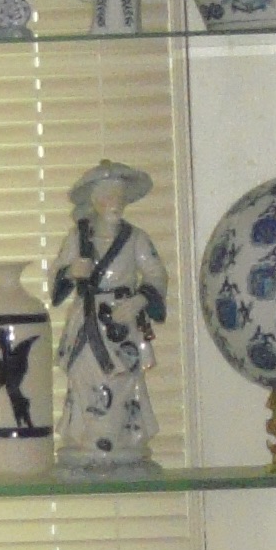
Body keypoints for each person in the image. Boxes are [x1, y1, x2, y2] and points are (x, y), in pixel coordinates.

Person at [51, 161, 166, 471]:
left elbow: (156, 274)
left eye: (119, 196)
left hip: (121, 322)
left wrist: (141, 299)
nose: (114, 203)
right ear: (95, 201)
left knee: (123, 377)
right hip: (87, 320)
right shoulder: (77, 238)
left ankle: (122, 437)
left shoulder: (136, 238)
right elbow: (58, 277)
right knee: (84, 377)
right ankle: (87, 437)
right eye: (107, 196)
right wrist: (71, 272)